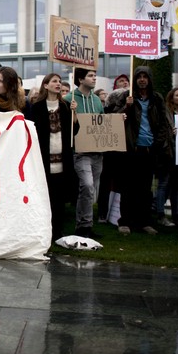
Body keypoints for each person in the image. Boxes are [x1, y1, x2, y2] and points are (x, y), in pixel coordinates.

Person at [109, 65, 172, 235]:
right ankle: (125, 221)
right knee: (128, 187)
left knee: (145, 188)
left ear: (150, 79)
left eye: (145, 76)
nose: (142, 79)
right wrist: (126, 107)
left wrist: (157, 144)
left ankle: (144, 222)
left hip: (149, 149)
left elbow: (163, 124)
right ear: (135, 79)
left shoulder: (157, 99)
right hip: (131, 148)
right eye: (139, 76)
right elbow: (115, 119)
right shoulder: (126, 96)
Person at [31, 73, 78, 242]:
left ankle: (57, 232)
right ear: (46, 85)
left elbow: (75, 132)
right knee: (46, 198)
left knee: (59, 199)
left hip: (62, 160)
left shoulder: (65, 106)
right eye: (54, 81)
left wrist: (75, 114)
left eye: (59, 81)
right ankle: (44, 230)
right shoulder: (36, 108)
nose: (58, 84)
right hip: (44, 160)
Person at [64, 68, 104, 238]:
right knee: (87, 185)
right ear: (80, 79)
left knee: (90, 190)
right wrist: (71, 112)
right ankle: (82, 226)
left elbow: (103, 123)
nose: (94, 78)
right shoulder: (69, 98)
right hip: (79, 152)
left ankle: (86, 225)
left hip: (97, 152)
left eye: (95, 75)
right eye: (90, 76)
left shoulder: (97, 100)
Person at [155, 87, 178, 227]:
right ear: (171, 97)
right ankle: (160, 215)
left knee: (177, 186)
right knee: (164, 184)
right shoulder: (166, 113)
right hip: (167, 154)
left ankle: (177, 216)